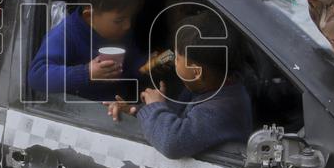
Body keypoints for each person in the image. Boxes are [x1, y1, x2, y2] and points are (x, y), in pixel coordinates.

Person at [105, 12, 253, 159]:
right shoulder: (216, 88)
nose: (173, 60)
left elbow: (172, 143)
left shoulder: (221, 111)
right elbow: (180, 115)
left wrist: (154, 106)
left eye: (177, 59)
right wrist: (137, 110)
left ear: (196, 72)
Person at [27, 0, 146, 101]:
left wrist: (144, 65)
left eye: (131, 17)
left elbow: (129, 63)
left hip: (118, 105)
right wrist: (86, 73)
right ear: (89, 16)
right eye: (119, 20)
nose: (128, 25)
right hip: (82, 110)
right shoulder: (65, 35)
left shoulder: (120, 31)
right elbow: (37, 75)